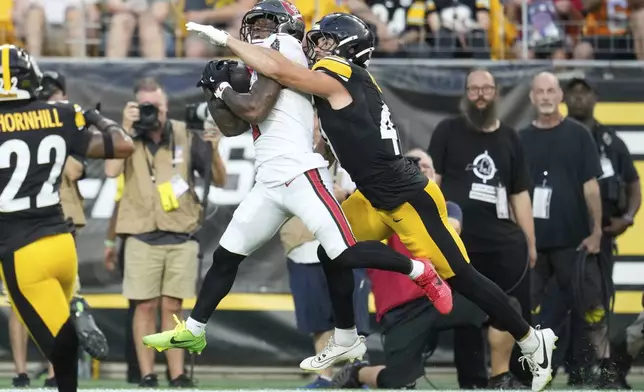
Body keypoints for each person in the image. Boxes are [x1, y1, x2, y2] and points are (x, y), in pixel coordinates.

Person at [186, 13, 558, 391]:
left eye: (326, 41)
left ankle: (530, 337)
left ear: (346, 49)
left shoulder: (339, 73)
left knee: (462, 275)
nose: (317, 47)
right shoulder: (345, 79)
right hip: (374, 195)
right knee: (332, 251)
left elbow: (281, 71)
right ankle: (346, 338)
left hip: (406, 197)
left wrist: (227, 40)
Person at [144, 1, 452, 373]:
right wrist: (214, 91)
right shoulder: (265, 56)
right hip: (269, 179)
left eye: (264, 22)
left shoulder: (285, 49)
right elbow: (234, 127)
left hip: (300, 173)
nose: (257, 29)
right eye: (253, 23)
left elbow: (255, 109)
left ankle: (419, 270)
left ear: (286, 26)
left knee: (343, 254)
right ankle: (194, 329)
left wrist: (224, 87)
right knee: (226, 257)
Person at [0, 44, 134, 392]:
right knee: (63, 346)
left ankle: (74, 315)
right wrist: (94, 116)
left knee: (57, 347)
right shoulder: (60, 114)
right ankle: (76, 305)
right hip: (61, 243)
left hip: (20, 250)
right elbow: (122, 145)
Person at [103, 76, 226, 388]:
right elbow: (110, 171)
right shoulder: (126, 138)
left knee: (174, 307)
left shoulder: (185, 134)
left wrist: (214, 145)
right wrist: (125, 129)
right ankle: (146, 374)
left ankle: (177, 373)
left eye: (155, 106)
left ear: (166, 105)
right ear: (133, 108)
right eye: (144, 107)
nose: (151, 113)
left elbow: (218, 178)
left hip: (181, 235)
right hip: (141, 235)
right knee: (143, 305)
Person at [330, 149, 487, 390]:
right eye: (414, 165)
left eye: (427, 167)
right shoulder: (380, 206)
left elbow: (452, 229)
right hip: (400, 308)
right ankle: (359, 373)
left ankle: (499, 379)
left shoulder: (446, 207)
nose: (422, 169)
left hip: (440, 295)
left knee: (499, 309)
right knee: (399, 382)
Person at [429, 69, 536, 389]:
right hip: (461, 244)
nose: (479, 94)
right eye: (473, 88)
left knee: (515, 314)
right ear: (465, 93)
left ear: (496, 93)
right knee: (468, 316)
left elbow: (520, 193)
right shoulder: (447, 130)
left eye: (486, 88)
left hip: (506, 246)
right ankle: (473, 382)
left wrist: (530, 242)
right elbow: (433, 185)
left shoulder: (511, 138)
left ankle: (512, 377)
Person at [7, 70, 109, 388]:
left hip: (20, 239)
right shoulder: (64, 117)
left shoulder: (31, 119)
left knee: (50, 331)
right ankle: (76, 312)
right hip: (58, 234)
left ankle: (54, 374)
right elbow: (116, 146)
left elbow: (76, 169)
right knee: (60, 320)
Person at [554, 77, 641, 388]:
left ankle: (603, 369)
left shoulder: (610, 141)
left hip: (601, 235)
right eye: (573, 94)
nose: (578, 99)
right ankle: (572, 367)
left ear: (596, 98)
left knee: (597, 303)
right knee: (564, 303)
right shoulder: (558, 135)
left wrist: (628, 217)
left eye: (584, 93)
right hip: (563, 234)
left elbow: (633, 184)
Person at [519, 72, 604, 388]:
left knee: (586, 307)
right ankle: (532, 372)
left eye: (551, 90)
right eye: (539, 91)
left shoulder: (579, 135)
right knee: (527, 310)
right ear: (531, 97)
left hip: (574, 241)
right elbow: (515, 192)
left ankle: (587, 371)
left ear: (560, 96)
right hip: (533, 244)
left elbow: (591, 187)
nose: (545, 96)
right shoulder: (521, 139)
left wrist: (596, 232)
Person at [280, 121, 370, 388]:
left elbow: (368, 192)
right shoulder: (283, 158)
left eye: (316, 128)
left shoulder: (349, 156)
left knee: (353, 318)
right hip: (302, 248)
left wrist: (346, 193)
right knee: (319, 320)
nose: (311, 133)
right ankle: (325, 376)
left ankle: (357, 373)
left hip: (345, 245)